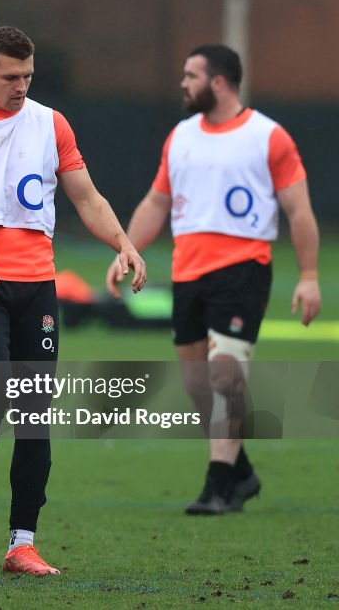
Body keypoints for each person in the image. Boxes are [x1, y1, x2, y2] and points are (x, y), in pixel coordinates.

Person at [0, 26, 146, 575]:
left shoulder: (51, 123)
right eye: (9, 77)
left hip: (36, 287)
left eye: (27, 75)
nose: (21, 86)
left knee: (33, 414)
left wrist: (123, 243)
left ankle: (22, 543)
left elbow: (85, 196)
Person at [106, 44, 321, 515]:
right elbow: (156, 203)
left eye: (191, 75)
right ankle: (242, 474)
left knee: (225, 377)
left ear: (218, 82)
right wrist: (127, 248)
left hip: (243, 271)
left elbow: (299, 211)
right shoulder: (180, 136)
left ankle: (218, 485)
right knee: (197, 383)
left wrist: (308, 276)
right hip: (188, 274)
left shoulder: (269, 137)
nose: (183, 83)